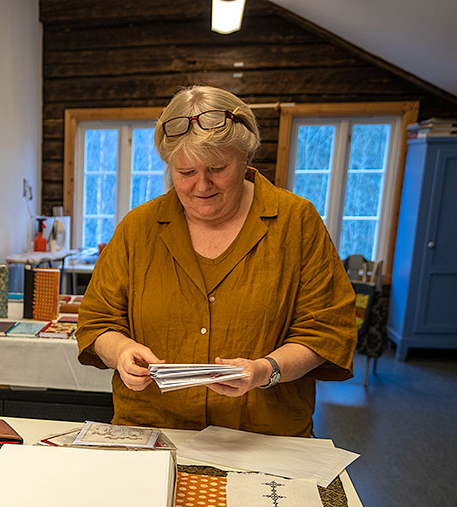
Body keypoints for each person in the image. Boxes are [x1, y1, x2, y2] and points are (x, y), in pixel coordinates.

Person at [76, 86, 356, 438]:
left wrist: (266, 370)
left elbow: (327, 330)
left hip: (263, 439)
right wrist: (121, 351)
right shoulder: (138, 228)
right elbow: (97, 321)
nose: (202, 185)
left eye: (218, 168)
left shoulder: (295, 222)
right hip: (153, 431)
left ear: (245, 157)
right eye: (185, 172)